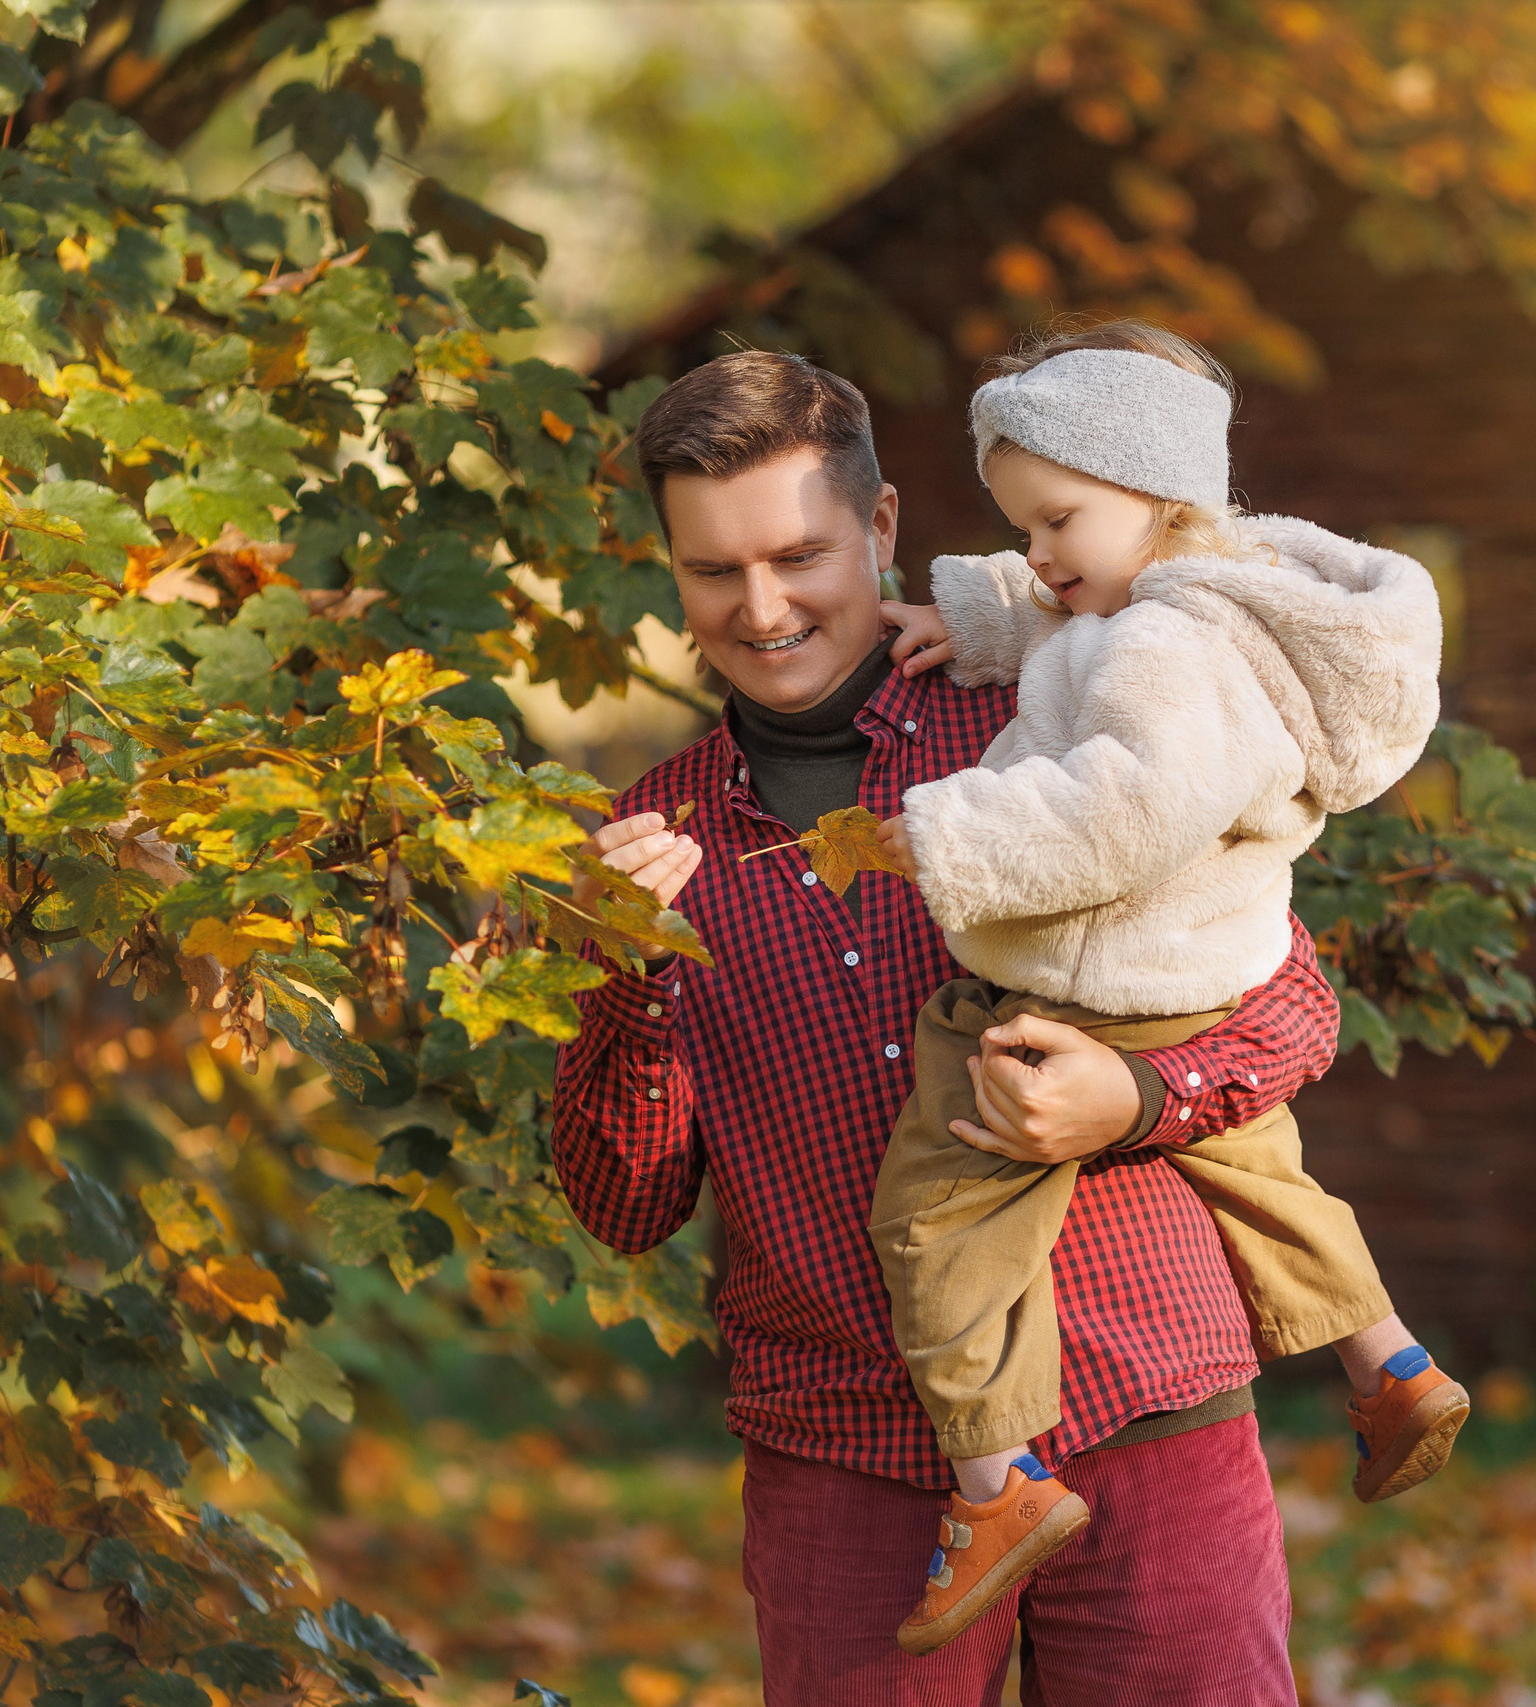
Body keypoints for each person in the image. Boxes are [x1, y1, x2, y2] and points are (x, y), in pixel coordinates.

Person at [550, 348, 1340, 1704]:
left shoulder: (1054, 713)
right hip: (848, 1457)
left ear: (883, 528)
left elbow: (1291, 999)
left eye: (800, 554)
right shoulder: (650, 841)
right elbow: (625, 1205)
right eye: (712, 571)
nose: (762, 605)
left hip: (1142, 1396)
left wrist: (1138, 1100)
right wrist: (618, 981)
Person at [864, 321, 1468, 1655]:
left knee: (937, 1206)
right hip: (1205, 980)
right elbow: (1090, 608)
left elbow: (1136, 801)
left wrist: (958, 831)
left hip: (1102, 988)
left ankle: (996, 1483)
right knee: (1261, 1170)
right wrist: (973, 618)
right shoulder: (1223, 592)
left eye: (1055, 521)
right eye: (1024, 529)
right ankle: (1392, 1364)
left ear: (1156, 491)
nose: (1039, 556)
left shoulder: (1163, 654)